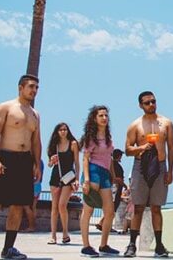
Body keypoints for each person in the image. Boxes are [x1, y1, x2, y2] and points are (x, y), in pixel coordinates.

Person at [0, 74, 42, 260]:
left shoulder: (35, 114)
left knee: (18, 206)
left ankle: (8, 249)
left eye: (36, 88)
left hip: (24, 162)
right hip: (4, 159)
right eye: (31, 86)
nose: (34, 90)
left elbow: (36, 142)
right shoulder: (6, 107)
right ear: (20, 87)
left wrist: (36, 164)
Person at [124, 91, 173, 257]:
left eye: (153, 101)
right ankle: (132, 244)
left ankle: (159, 245)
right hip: (141, 166)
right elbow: (127, 150)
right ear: (141, 105)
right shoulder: (135, 125)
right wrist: (141, 148)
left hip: (160, 166)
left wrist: (170, 170)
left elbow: (171, 147)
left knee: (156, 207)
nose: (151, 105)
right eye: (147, 103)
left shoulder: (166, 123)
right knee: (138, 207)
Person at [78, 105, 119, 257]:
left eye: (106, 115)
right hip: (93, 172)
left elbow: (110, 158)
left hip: (105, 174)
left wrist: (113, 175)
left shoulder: (108, 138)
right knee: (88, 210)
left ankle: (104, 245)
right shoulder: (91, 137)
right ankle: (86, 246)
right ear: (94, 119)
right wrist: (87, 179)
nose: (104, 118)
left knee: (109, 212)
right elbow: (85, 159)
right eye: (101, 115)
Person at [46, 123, 80, 245]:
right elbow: (50, 165)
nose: (63, 132)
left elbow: (76, 162)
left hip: (69, 177)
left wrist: (77, 179)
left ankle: (65, 233)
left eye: (65, 129)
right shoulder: (53, 145)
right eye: (60, 130)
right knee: (54, 207)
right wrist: (51, 161)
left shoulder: (73, 144)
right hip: (55, 177)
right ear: (57, 132)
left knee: (62, 205)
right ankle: (53, 235)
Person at [96, 148, 125, 232]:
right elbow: (118, 179)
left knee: (110, 207)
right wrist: (125, 185)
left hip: (110, 188)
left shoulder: (110, 164)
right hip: (115, 190)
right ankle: (104, 224)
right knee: (112, 208)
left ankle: (102, 223)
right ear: (119, 156)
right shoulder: (117, 166)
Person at [22, 159, 44, 233]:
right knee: (33, 206)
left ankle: (31, 226)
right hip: (38, 186)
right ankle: (33, 226)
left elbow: (33, 177)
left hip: (32, 186)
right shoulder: (40, 162)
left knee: (26, 206)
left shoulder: (34, 162)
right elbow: (39, 178)